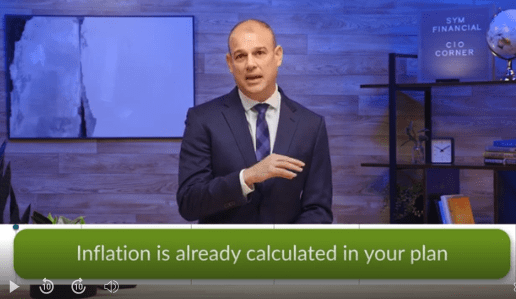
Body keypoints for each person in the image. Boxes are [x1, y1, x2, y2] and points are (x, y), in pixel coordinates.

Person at [177, 19, 333, 224]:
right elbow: (189, 203)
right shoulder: (203, 120)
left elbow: (318, 210)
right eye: (240, 56)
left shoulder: (311, 125)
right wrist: (246, 177)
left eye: (259, 53)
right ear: (230, 63)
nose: (250, 64)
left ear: (278, 56)